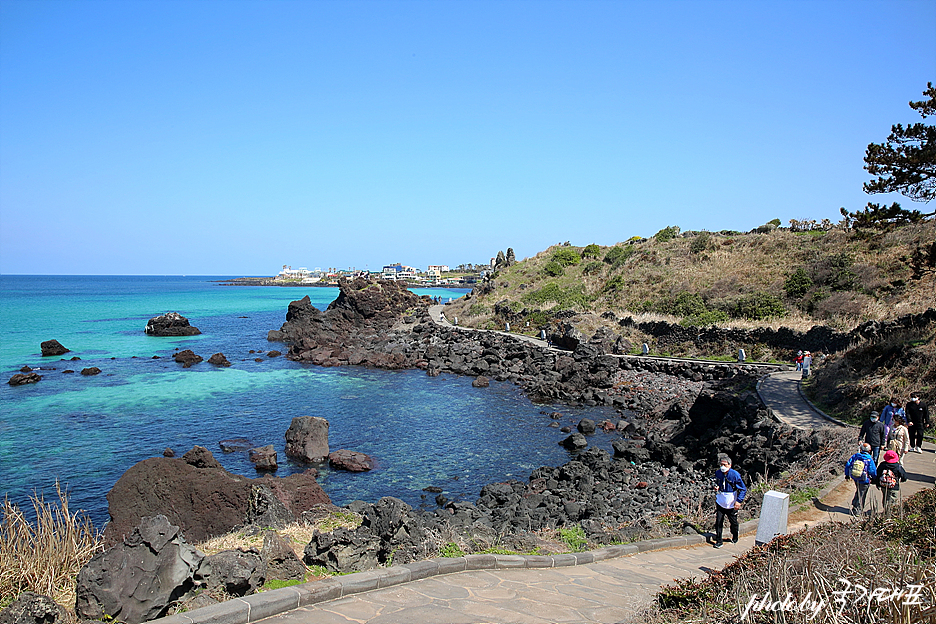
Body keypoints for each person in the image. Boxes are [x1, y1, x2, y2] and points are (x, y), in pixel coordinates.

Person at [712, 456, 746, 548]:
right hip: (720, 500)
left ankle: (735, 535)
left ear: (730, 465)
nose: (722, 467)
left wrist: (739, 501)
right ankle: (719, 540)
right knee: (719, 521)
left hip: (731, 502)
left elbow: (743, 489)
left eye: (724, 465)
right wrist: (717, 487)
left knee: (733, 522)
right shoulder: (718, 473)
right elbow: (717, 482)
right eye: (721, 465)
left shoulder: (735, 475)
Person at [844, 443, 877, 516]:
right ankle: (858, 510)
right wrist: (874, 478)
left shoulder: (856, 456)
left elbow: (848, 465)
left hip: (856, 477)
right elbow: (872, 470)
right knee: (862, 494)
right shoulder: (869, 458)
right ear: (869, 450)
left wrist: (847, 474)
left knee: (858, 491)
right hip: (864, 479)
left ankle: (854, 505)